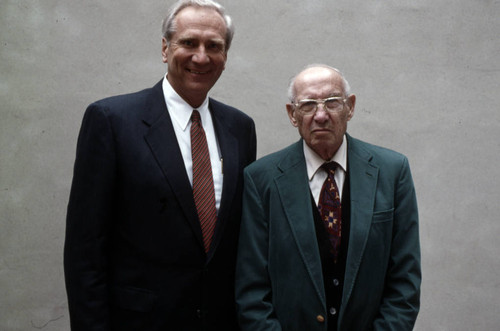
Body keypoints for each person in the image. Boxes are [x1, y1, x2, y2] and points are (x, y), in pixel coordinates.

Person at [64, 1, 256, 330]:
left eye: (214, 46)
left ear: (225, 57)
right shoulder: (112, 121)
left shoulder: (240, 128)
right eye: (189, 43)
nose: (201, 56)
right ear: (165, 49)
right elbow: (85, 251)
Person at [235, 65, 420, 330]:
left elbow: (405, 283)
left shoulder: (392, 172)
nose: (321, 115)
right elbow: (251, 290)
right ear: (292, 114)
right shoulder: (261, 179)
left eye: (332, 102)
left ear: (351, 107)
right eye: (308, 105)